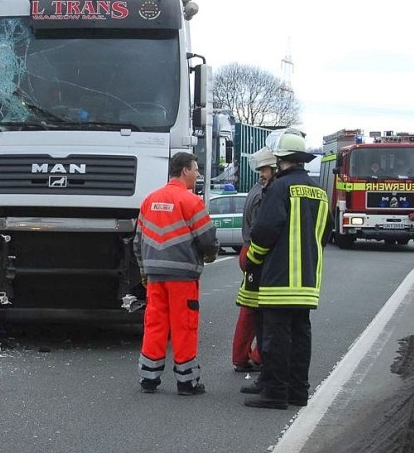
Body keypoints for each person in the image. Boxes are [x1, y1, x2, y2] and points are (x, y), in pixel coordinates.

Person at [238, 131, 333, 409]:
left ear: (281, 161)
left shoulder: (280, 188)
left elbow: (265, 230)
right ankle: (298, 392)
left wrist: (254, 258)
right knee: (301, 336)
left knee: (275, 338)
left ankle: (275, 393)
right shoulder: (319, 191)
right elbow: (324, 234)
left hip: (278, 280)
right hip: (307, 280)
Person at [133, 152, 219, 395]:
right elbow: (208, 240)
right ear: (185, 171)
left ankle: (148, 378)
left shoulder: (150, 200)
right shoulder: (192, 202)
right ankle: (186, 381)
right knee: (184, 326)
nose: (198, 174)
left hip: (154, 275)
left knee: (155, 325)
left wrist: (143, 270)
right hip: (182, 277)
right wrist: (209, 257)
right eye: (195, 169)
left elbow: (137, 241)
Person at [231, 147, 277, 372]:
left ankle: (241, 357)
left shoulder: (255, 190)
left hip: (248, 253)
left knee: (249, 309)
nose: (264, 173)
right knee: (262, 311)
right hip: (256, 254)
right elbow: (263, 229)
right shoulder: (264, 195)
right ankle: (257, 357)